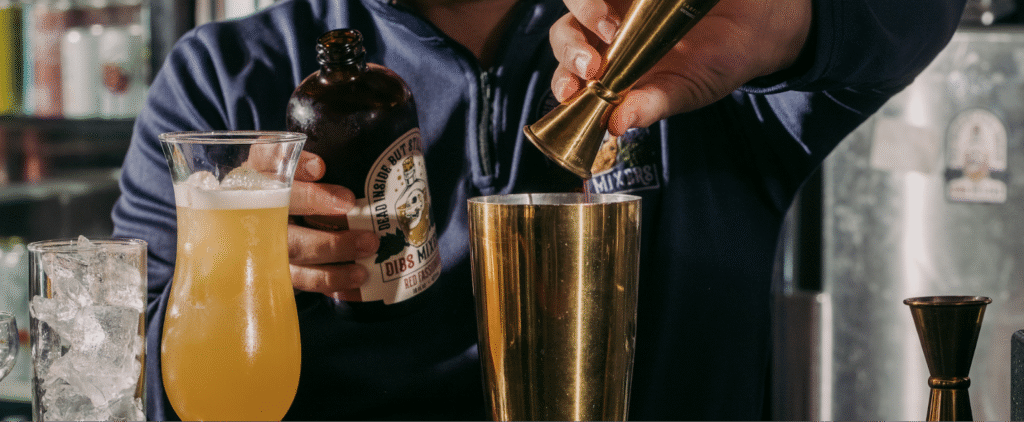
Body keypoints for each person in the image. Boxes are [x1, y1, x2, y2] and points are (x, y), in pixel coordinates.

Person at [111, 0, 967, 419]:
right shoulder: (223, 79)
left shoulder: (672, 36)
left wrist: (786, 22)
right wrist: (234, 271)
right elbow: (126, 384)